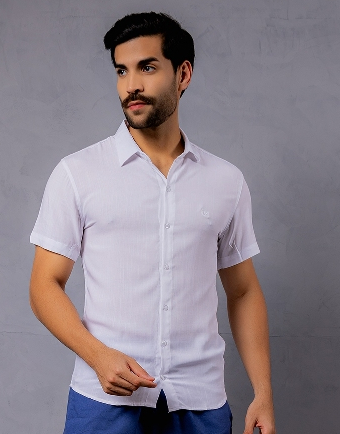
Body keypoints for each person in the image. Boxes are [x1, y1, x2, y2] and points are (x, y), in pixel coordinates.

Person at [29, 11, 276, 434]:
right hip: (104, 402)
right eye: (121, 71)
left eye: (147, 67)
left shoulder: (226, 181)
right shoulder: (77, 173)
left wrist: (263, 393)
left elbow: (243, 291)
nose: (131, 85)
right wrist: (97, 356)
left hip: (201, 403)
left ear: (183, 74)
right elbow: (43, 285)